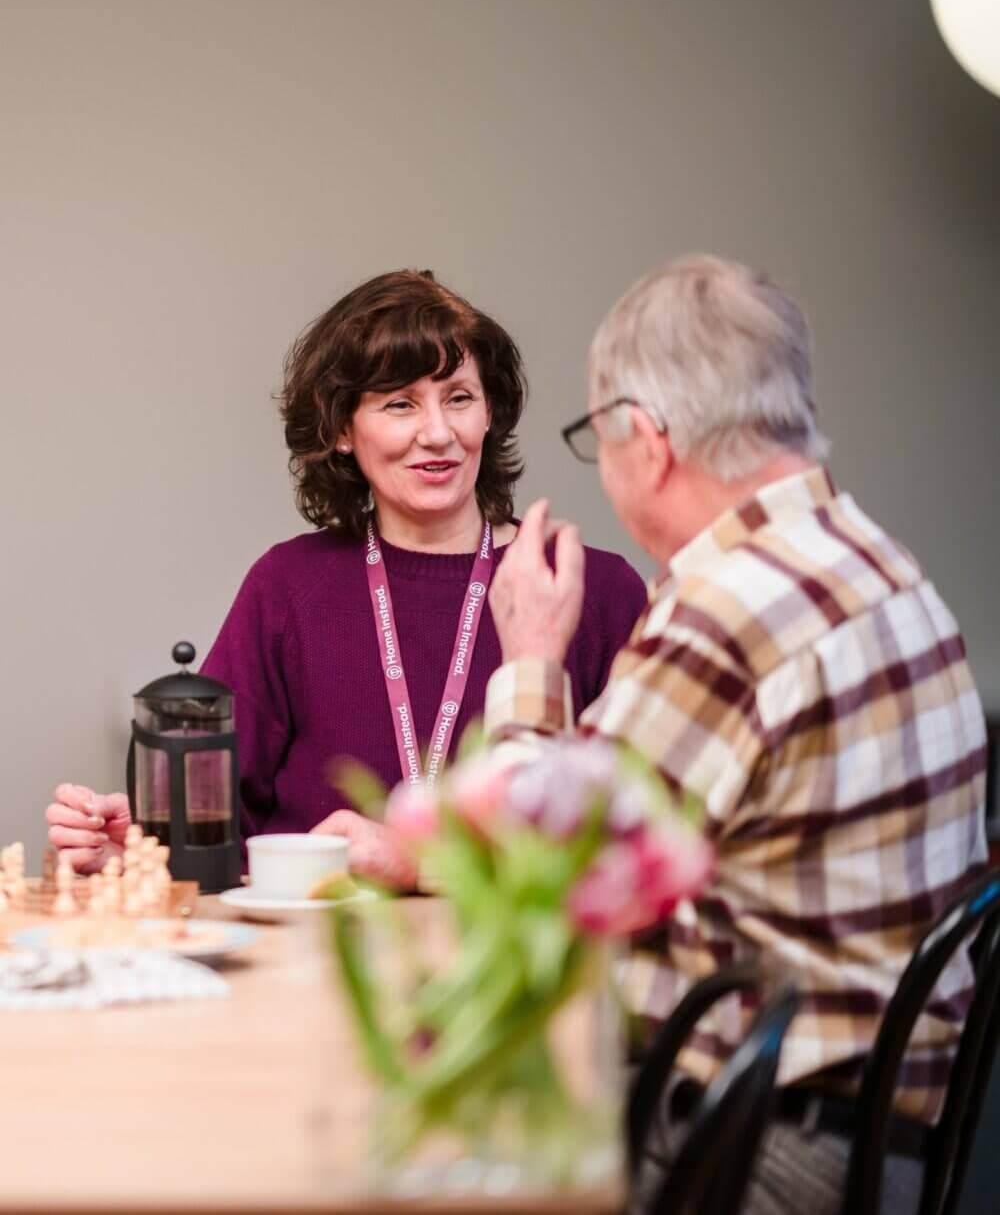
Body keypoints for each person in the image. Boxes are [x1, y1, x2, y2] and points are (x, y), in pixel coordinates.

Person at [483, 254, 987, 1214]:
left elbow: (531, 885)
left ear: (647, 438)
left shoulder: (730, 610)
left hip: (761, 1150)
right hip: (886, 1137)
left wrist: (532, 662)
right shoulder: (877, 561)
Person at [46, 269, 647, 881]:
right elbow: (221, 827)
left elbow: (643, 846)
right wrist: (150, 853)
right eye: (400, 404)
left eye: (459, 397)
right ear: (339, 430)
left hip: (521, 970)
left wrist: (415, 861)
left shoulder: (589, 589)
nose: (437, 432)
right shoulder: (287, 587)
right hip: (305, 961)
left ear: (490, 412)